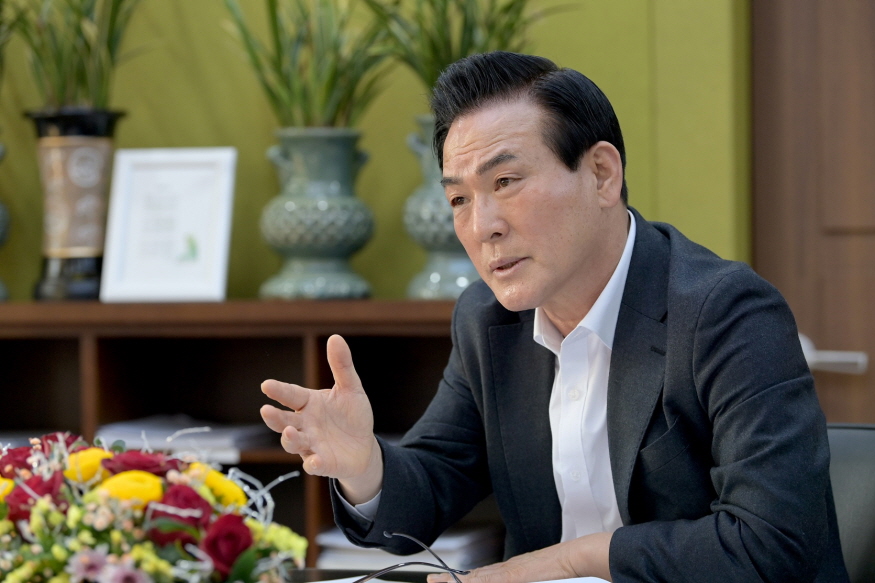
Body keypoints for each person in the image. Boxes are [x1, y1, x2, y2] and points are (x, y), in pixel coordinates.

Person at [260, 51, 849, 583]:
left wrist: (570, 560)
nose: (482, 226)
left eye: (506, 181)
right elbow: (431, 484)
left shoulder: (726, 313)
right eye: (459, 199)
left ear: (601, 175)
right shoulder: (487, 320)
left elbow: (772, 545)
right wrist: (366, 465)